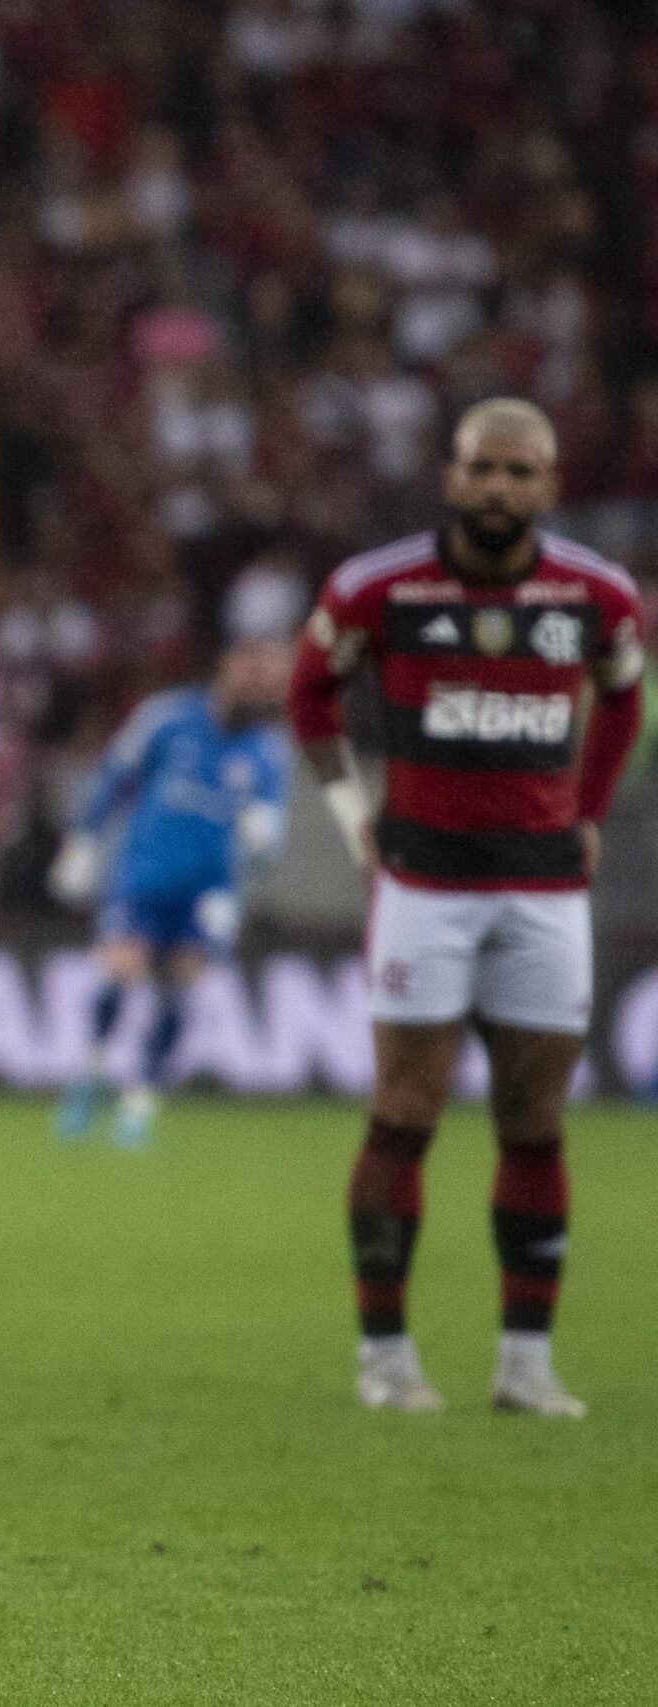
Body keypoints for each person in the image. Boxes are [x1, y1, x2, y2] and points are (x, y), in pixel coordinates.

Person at [290, 398, 643, 1417]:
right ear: (448, 477)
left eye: (518, 473)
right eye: (480, 470)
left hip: (543, 889)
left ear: (549, 486)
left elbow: (624, 693)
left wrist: (588, 809)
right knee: (404, 1114)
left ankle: (524, 1364)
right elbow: (311, 692)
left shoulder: (597, 595)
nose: (498, 489)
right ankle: (385, 1357)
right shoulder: (376, 589)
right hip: (423, 885)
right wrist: (354, 811)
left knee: (533, 1125)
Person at [50, 636, 295, 1147]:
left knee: (179, 995)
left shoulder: (269, 753)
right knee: (120, 975)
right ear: (228, 666)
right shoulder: (166, 719)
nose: (265, 687)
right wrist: (83, 844)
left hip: (209, 894)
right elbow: (115, 776)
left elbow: (266, 834)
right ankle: (92, 1072)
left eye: (273, 680)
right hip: (143, 877)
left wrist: (258, 856)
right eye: (257, 674)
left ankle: (139, 1103)